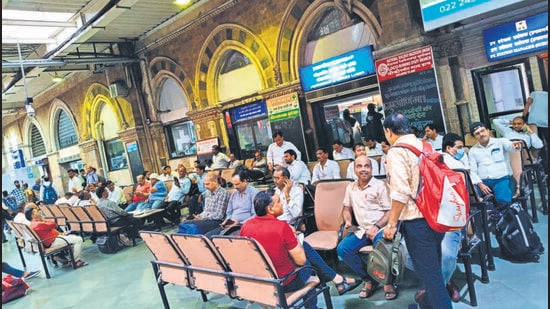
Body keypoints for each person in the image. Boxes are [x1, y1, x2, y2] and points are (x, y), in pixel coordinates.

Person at [240, 192, 361, 309]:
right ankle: (330, 288)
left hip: (261, 280)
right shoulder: (282, 227)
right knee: (309, 266)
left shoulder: (245, 226)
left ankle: (338, 279)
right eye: (278, 202)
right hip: (285, 283)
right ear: (270, 209)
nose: (282, 203)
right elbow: (301, 261)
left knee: (305, 247)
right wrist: (294, 237)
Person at [381, 112, 452, 309]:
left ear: (388, 131)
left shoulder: (396, 152)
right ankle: (428, 304)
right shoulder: (425, 145)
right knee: (433, 270)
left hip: (417, 222)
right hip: (436, 217)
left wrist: (392, 224)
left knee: (431, 278)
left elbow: (400, 192)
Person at [336, 155, 396, 300]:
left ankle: (388, 282)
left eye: (367, 166)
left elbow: (390, 211)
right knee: (343, 249)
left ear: (372, 169)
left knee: (381, 251)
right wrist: (349, 221)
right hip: (361, 229)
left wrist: (376, 226)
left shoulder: (380, 186)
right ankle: (369, 279)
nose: (363, 169)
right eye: (359, 166)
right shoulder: (350, 187)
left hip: (380, 228)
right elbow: (346, 209)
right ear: (354, 169)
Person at [468, 122, 522, 209]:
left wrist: (515, 146)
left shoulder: (501, 142)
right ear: (475, 137)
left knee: (502, 202)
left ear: (488, 131)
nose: (481, 134)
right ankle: (489, 220)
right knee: (475, 202)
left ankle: (502, 220)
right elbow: (472, 171)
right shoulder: (473, 151)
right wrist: (480, 184)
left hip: (501, 180)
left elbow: (511, 146)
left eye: (482, 131)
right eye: (477, 133)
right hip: (483, 183)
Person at [205, 170, 258, 237]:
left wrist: (239, 223)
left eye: (237, 184)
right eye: (233, 184)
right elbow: (229, 212)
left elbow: (255, 215)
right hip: (231, 225)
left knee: (218, 240)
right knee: (207, 237)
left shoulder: (254, 194)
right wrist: (227, 220)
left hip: (244, 226)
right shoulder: (235, 194)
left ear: (245, 181)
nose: (235, 187)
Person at [523, 90, 548, 170]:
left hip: (534, 121)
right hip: (546, 122)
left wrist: (523, 117)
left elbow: (527, 105)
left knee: (536, 143)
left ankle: (541, 164)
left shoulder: (533, 93)